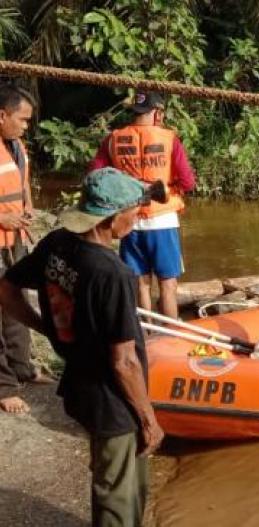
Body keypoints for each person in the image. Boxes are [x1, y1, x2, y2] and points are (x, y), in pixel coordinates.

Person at [0, 167, 164, 525]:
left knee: (123, 480)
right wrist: (149, 419)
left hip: (81, 383)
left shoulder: (59, 243)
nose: (135, 221)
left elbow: (6, 288)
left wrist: (46, 328)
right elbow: (124, 363)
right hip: (113, 398)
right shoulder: (113, 273)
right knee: (116, 495)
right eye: (133, 213)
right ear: (112, 217)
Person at [88, 91, 195, 320]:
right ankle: (173, 337)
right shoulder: (169, 139)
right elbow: (188, 182)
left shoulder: (113, 139)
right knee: (168, 284)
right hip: (163, 220)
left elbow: (95, 176)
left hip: (129, 221)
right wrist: (167, 187)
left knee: (141, 283)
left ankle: (147, 337)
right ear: (157, 113)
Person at [0, 84, 53, 415]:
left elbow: (21, 187)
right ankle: (3, 386)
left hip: (13, 242)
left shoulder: (16, 146)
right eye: (22, 119)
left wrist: (27, 214)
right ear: (2, 115)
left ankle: (22, 366)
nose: (25, 126)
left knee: (16, 303)